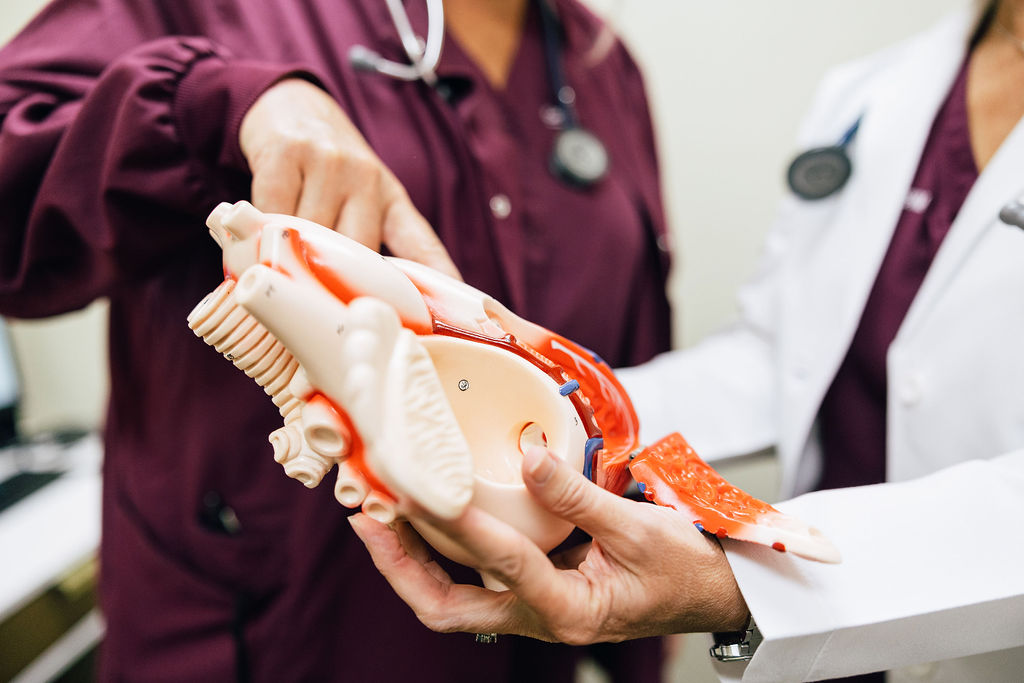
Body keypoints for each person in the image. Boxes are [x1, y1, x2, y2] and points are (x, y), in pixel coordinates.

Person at [0, 0, 673, 681]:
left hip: (520, 648)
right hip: (260, 643)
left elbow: (631, 412)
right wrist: (220, 104)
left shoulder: (605, 71)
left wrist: (644, 636)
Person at [352, 1, 1024, 680]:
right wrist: (554, 400)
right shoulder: (876, 91)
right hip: (829, 651)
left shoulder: (605, 64)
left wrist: (736, 584)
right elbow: (777, 357)